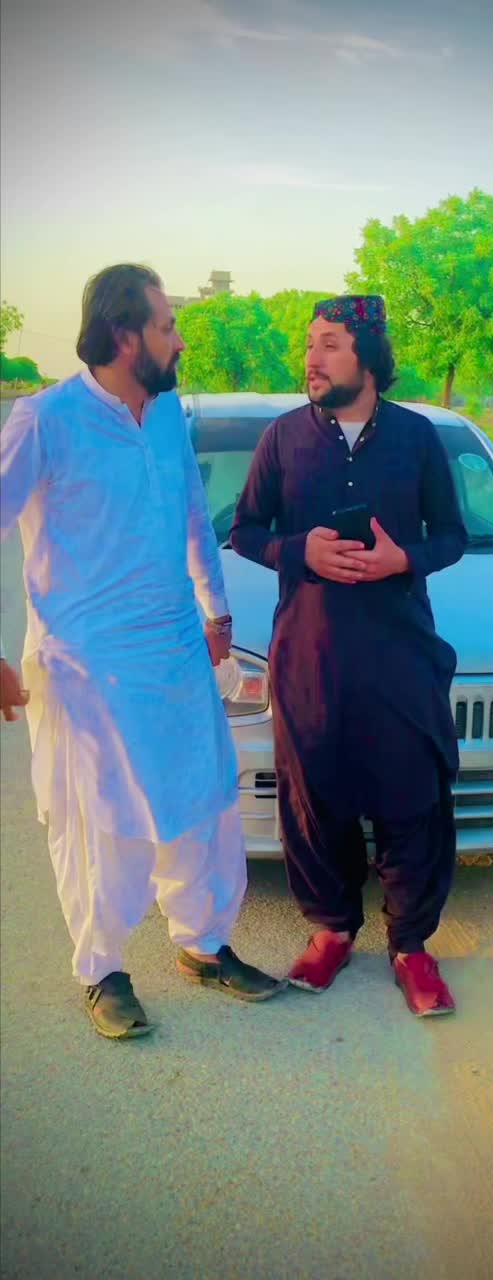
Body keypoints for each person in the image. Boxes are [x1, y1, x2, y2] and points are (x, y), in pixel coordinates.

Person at [0, 263, 284, 1040]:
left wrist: (215, 607)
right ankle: (103, 970)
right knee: (101, 821)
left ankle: (204, 944)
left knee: (204, 799)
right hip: (87, 666)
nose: (180, 339)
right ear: (125, 336)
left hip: (175, 644)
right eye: (167, 326)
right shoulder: (45, 420)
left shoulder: (165, 416)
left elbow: (192, 510)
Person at [230, 295, 467, 1016]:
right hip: (310, 656)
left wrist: (405, 559)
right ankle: (332, 929)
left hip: (401, 655)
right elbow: (245, 530)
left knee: (413, 799)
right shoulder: (283, 438)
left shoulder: (417, 437)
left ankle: (411, 945)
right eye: (310, 344)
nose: (312, 358)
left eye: (329, 343)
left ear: (368, 356)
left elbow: (451, 536)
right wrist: (297, 550)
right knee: (315, 799)